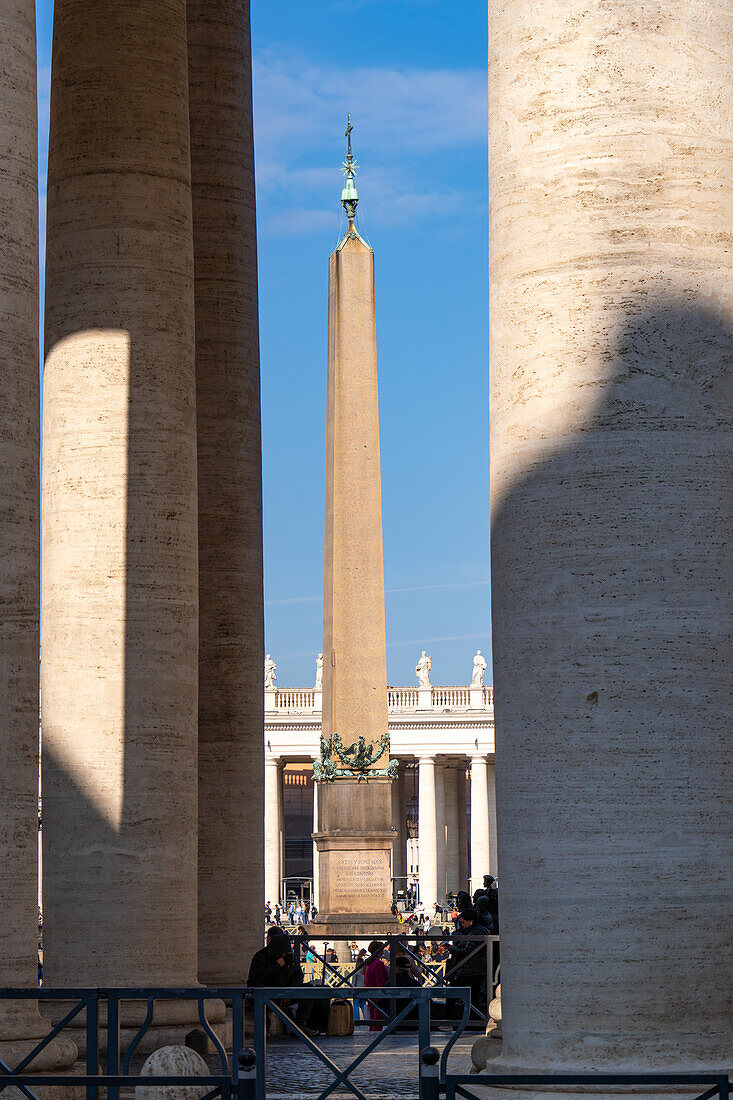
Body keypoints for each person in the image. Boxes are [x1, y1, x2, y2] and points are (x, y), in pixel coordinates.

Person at [446, 907, 490, 1017]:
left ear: (471, 921)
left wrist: (450, 948)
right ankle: (473, 1020)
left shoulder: (476, 933)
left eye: (463, 922)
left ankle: (449, 1019)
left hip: (471, 970)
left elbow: (466, 952)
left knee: (452, 992)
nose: (462, 925)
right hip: (475, 969)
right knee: (473, 998)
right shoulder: (477, 931)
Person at [364, 940, 389, 1031]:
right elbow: (380, 982)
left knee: (372, 1019)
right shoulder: (378, 964)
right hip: (378, 995)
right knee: (378, 1020)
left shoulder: (367, 964)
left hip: (369, 993)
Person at [352, 949, 368, 1021]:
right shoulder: (365, 971)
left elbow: (353, 982)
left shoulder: (356, 972)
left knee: (355, 1005)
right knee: (363, 1005)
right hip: (364, 989)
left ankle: (356, 1019)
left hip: (357, 990)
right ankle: (366, 1018)